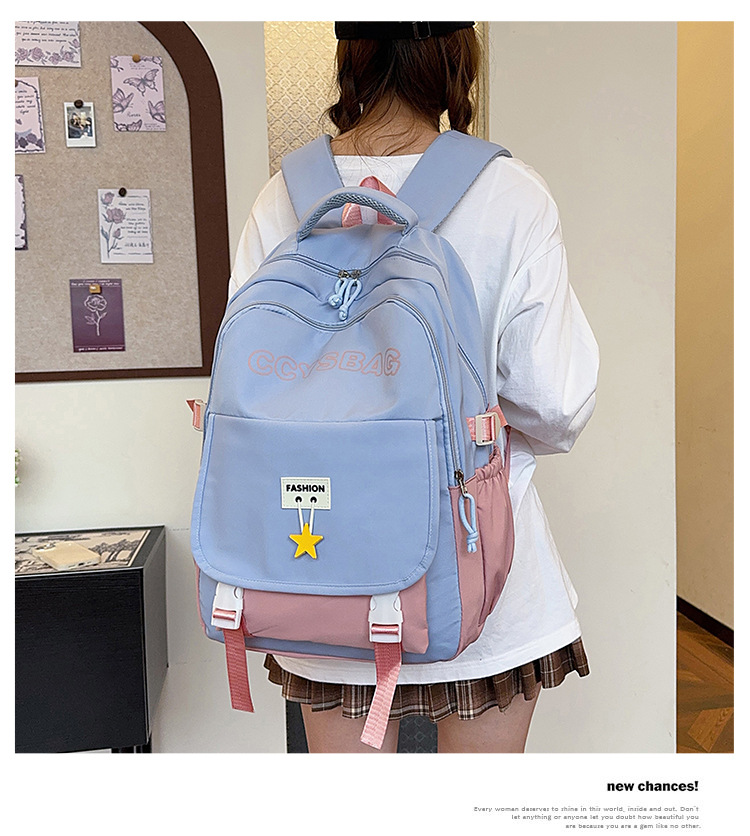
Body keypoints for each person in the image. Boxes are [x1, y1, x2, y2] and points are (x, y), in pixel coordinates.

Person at [228, 21, 599, 753]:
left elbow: (248, 386)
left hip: (321, 571)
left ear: (350, 55)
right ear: (457, 55)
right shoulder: (510, 194)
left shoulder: (285, 196)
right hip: (483, 579)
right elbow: (556, 402)